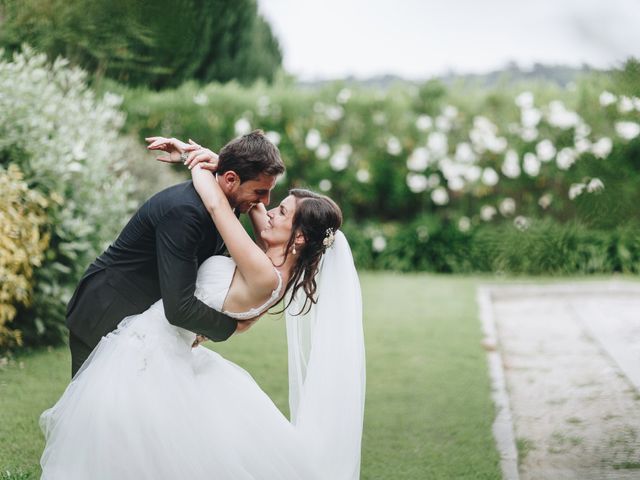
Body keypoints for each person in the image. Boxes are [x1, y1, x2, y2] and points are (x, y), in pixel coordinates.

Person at [40, 139, 366, 479]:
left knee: (114, 431)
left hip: (153, 336)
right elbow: (245, 207)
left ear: (298, 238)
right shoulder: (271, 260)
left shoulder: (261, 268)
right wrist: (212, 159)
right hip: (109, 309)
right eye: (264, 195)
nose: (267, 207)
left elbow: (217, 206)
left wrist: (197, 165)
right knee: (105, 425)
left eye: (280, 209)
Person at [65, 130, 284, 377]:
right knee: (94, 410)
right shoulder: (185, 213)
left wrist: (197, 156)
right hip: (107, 311)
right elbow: (179, 308)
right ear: (231, 179)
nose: (265, 201)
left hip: (143, 321)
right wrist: (233, 326)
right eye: (259, 192)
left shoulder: (226, 203)